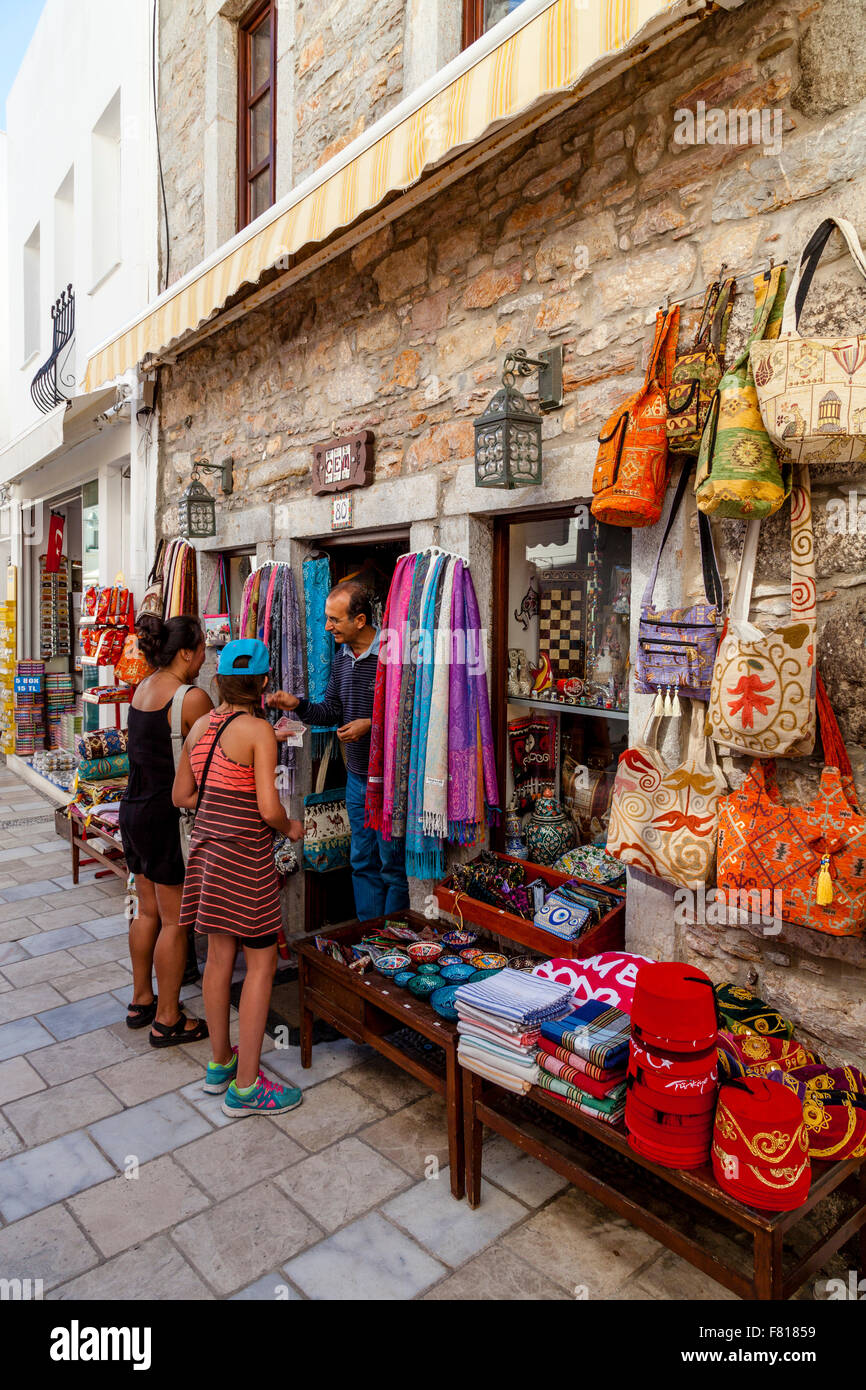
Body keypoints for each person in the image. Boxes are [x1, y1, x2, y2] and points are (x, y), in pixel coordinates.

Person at [173, 638, 305, 1116]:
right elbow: (269, 809)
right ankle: (247, 1087)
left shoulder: (201, 726)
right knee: (262, 964)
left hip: (207, 857)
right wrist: (290, 826)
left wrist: (220, 806)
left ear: (222, 679)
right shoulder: (257, 731)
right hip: (245, 859)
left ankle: (219, 1064)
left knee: (218, 959)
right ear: (265, 683)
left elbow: (181, 796)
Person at [266, 579, 410, 923]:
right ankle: (368, 936)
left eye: (335, 619)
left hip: (391, 781)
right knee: (362, 862)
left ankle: (393, 940)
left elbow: (410, 716)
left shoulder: (394, 654)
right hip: (358, 778)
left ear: (360, 620)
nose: (328, 627)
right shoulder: (342, 659)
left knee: (392, 865)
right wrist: (297, 704)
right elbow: (330, 711)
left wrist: (369, 726)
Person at [119, 614, 213, 1046]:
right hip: (167, 819)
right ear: (188, 653)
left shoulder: (144, 687)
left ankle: (142, 1000)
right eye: (203, 649)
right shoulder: (190, 698)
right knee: (176, 922)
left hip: (135, 811)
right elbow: (222, 745)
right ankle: (169, 1018)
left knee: (148, 910)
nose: (205, 657)